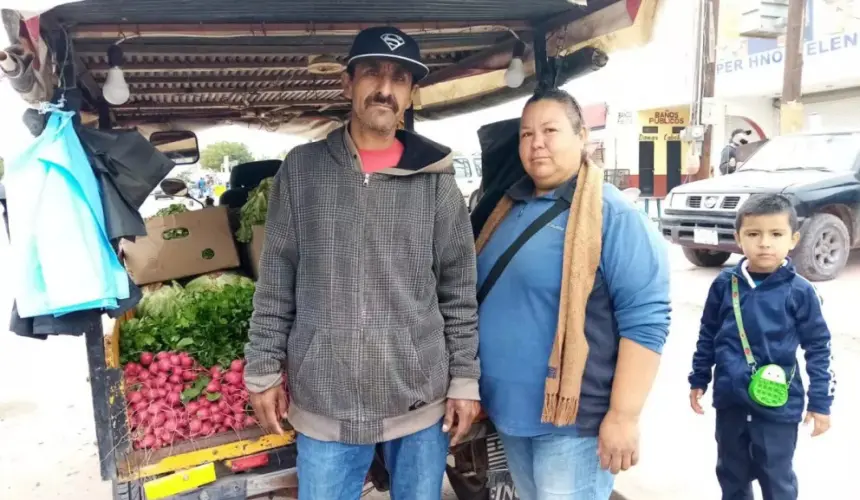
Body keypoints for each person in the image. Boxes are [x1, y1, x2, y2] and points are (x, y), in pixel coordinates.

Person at [243, 26, 481, 500]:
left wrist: (465, 379)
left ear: (411, 95)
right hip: (325, 399)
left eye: (399, 78)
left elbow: (458, 290)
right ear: (347, 84)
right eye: (372, 72)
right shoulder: (302, 170)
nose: (385, 88)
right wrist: (263, 367)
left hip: (419, 400)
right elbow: (276, 278)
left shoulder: (435, 180)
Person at [474, 88, 671, 500]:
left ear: (583, 137)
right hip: (511, 412)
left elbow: (646, 319)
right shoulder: (507, 207)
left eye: (550, 130)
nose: (536, 143)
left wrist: (623, 416)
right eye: (526, 134)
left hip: (572, 422)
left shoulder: (610, 213)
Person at [688, 194, 835, 500]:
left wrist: (820, 402)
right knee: (731, 474)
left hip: (778, 405)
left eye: (776, 234)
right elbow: (708, 333)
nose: (765, 243)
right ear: (738, 238)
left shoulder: (800, 291)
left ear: (793, 239)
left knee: (776, 478)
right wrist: (699, 377)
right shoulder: (724, 284)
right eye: (754, 234)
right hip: (731, 401)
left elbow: (819, 348)